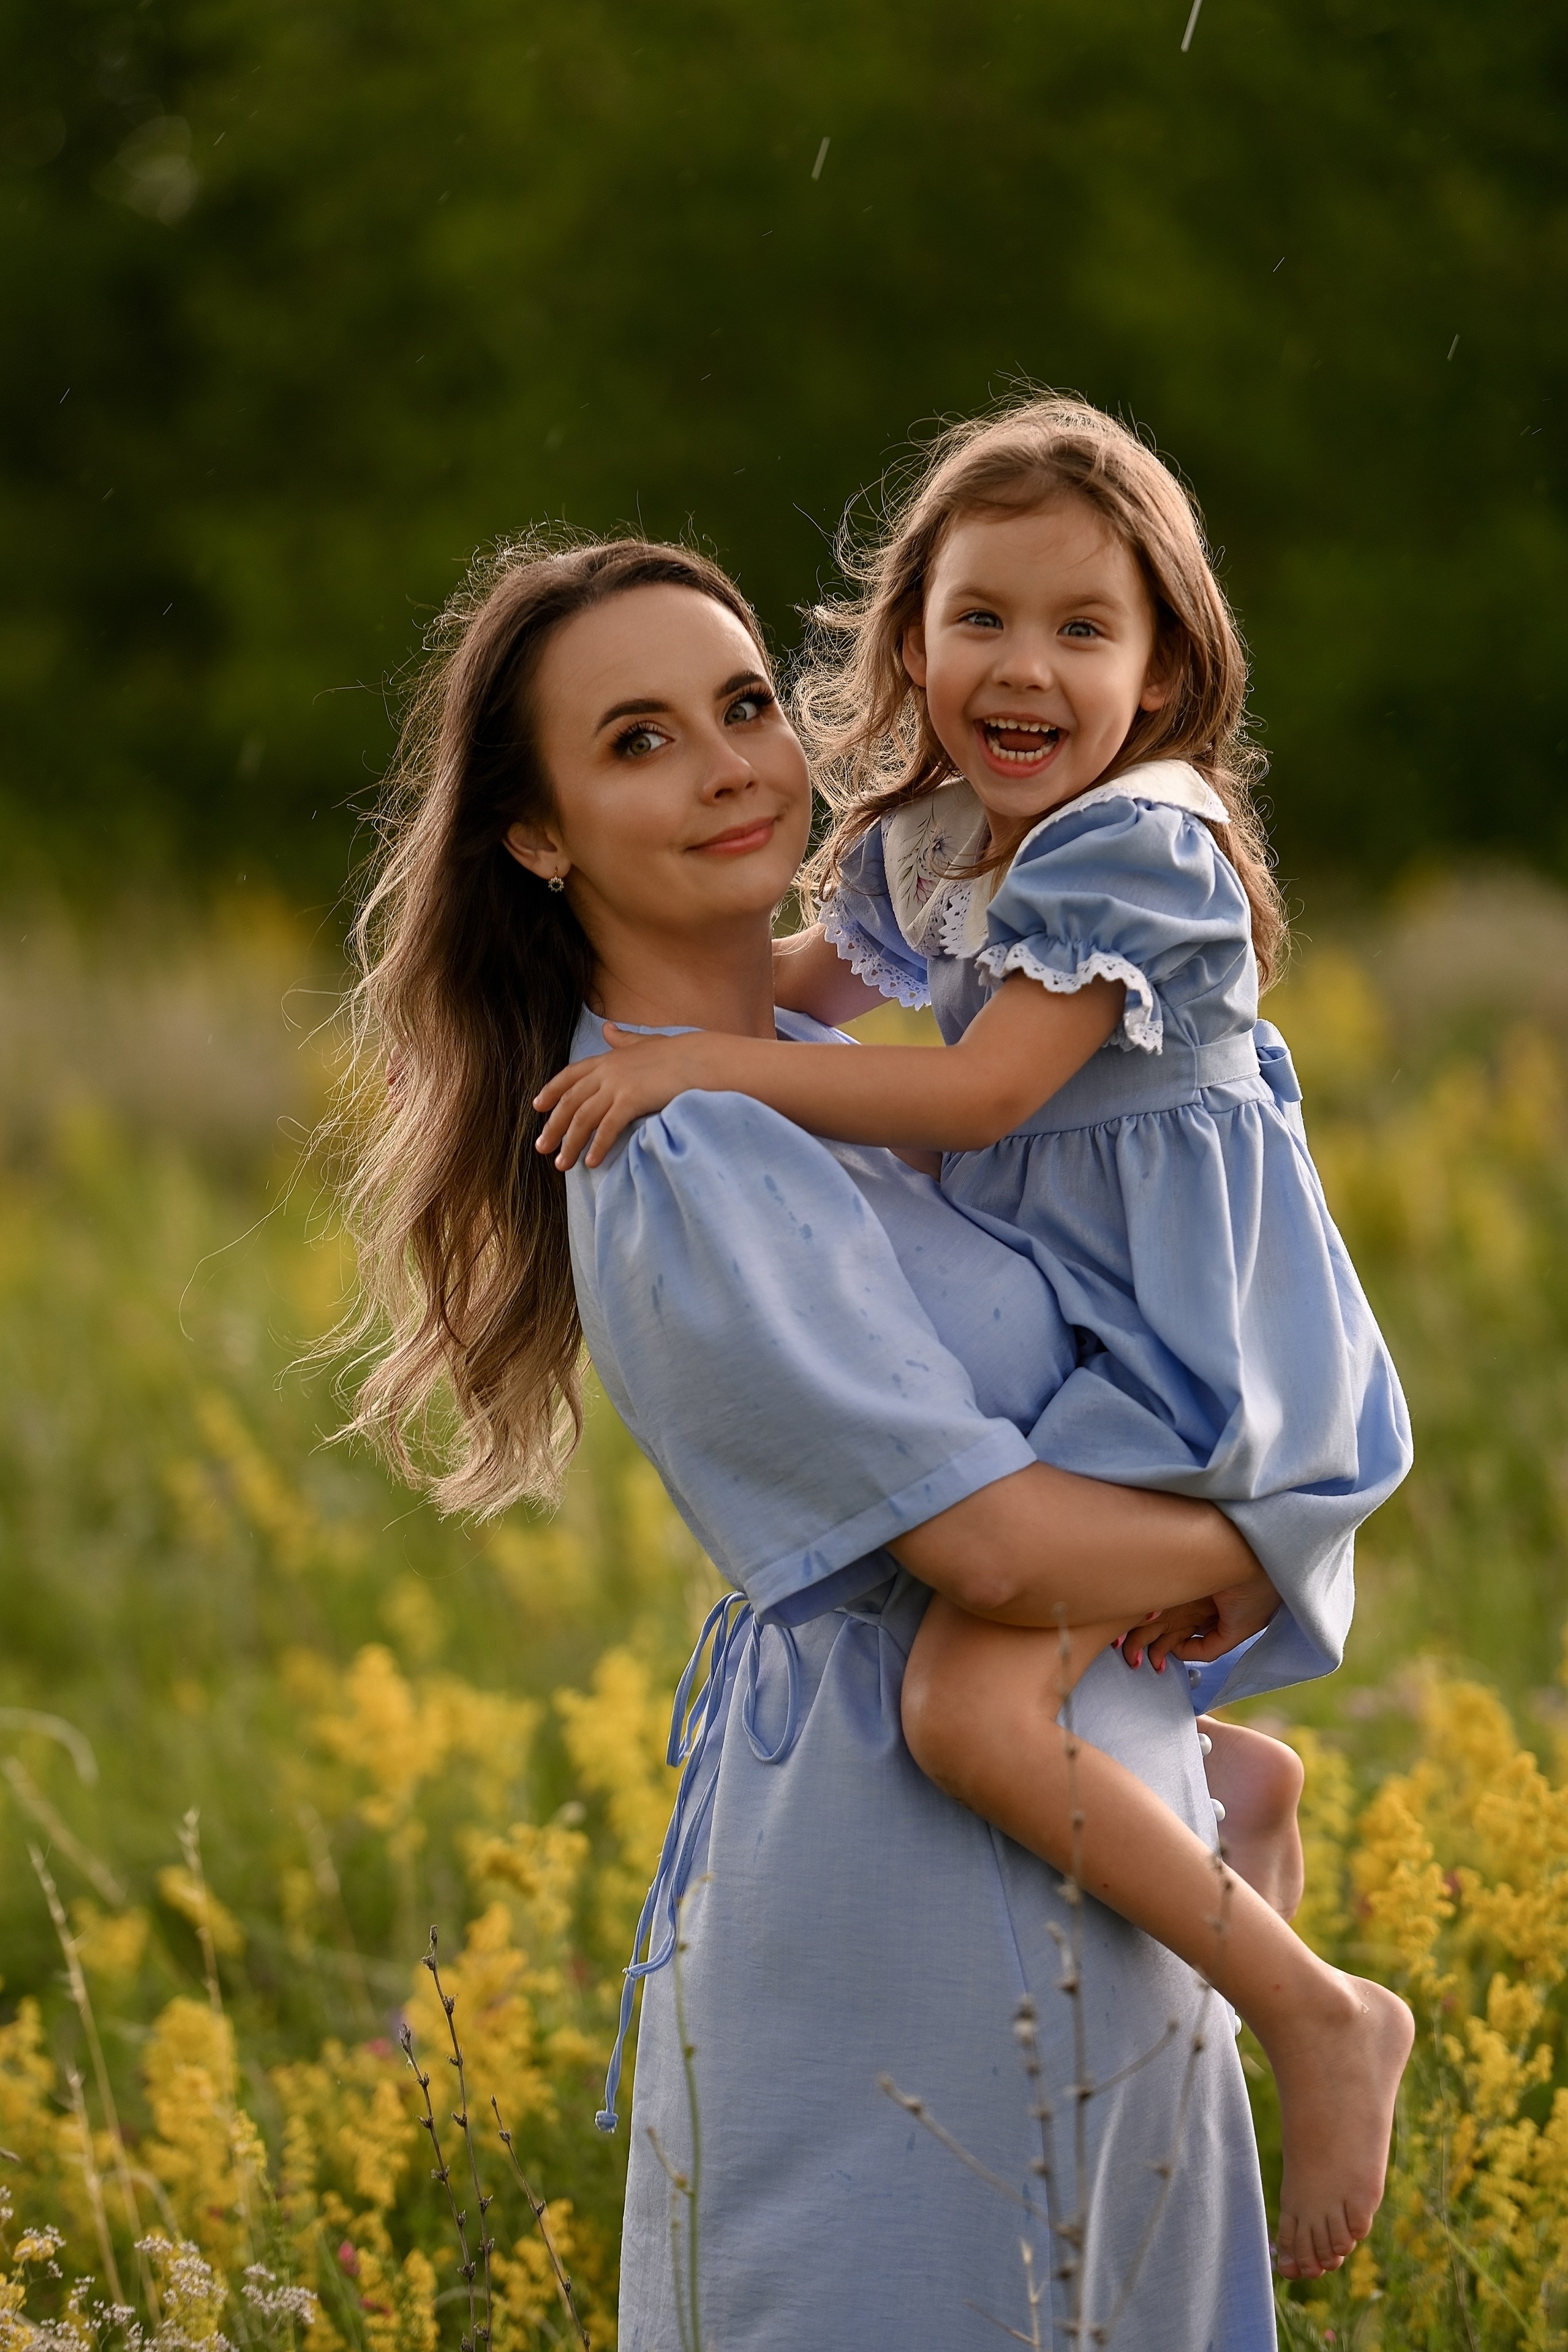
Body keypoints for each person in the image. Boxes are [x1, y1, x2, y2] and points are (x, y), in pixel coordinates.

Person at [336, 530, 1404, 2344]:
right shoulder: (675, 1142)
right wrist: (1274, 1530)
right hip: (917, 1912)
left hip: (1093, 1871)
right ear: (537, 835)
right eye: (639, 741)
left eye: (745, 703)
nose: (729, 765)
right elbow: (988, 1551)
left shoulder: (821, 1073)